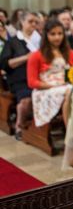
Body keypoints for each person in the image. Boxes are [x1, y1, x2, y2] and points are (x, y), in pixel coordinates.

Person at [27, 19, 73, 127]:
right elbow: (32, 82)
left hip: (66, 85)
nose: (57, 37)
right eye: (53, 34)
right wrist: (52, 85)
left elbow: (72, 73)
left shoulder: (71, 53)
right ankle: (69, 129)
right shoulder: (36, 55)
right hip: (46, 89)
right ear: (46, 35)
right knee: (70, 91)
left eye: (60, 34)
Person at [0, 11, 40, 140]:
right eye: (30, 21)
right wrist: (26, 58)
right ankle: (19, 125)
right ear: (22, 22)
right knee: (26, 100)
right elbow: (5, 64)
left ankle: (40, 127)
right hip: (20, 79)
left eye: (36, 22)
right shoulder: (13, 42)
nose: (33, 24)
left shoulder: (40, 40)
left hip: (40, 78)